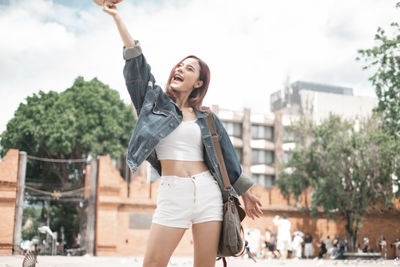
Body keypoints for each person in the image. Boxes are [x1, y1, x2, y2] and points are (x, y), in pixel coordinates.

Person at [101, 2, 263, 267]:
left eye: (189, 69)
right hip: (173, 191)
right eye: (180, 65)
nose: (180, 69)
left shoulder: (207, 118)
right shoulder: (154, 103)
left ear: (198, 82)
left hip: (208, 192)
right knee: (153, 263)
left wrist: (246, 192)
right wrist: (117, 17)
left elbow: (228, 158)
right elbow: (137, 64)